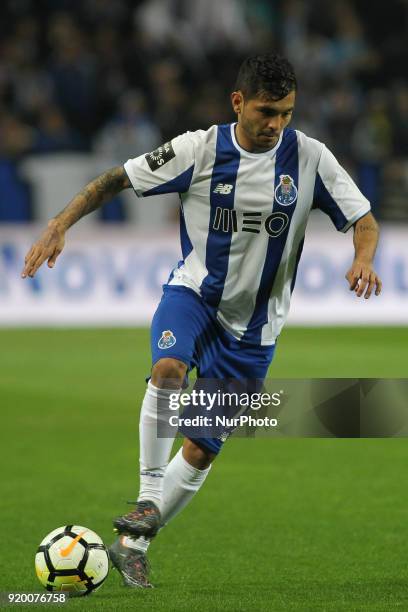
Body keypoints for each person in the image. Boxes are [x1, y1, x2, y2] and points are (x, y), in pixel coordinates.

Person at [22, 53, 382, 588]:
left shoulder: (310, 157)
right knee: (168, 367)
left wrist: (363, 257)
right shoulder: (198, 149)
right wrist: (58, 223)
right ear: (238, 103)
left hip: (256, 329)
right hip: (194, 295)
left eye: (286, 113)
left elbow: (365, 218)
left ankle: (131, 545)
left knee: (198, 448)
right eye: (266, 112)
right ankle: (147, 497)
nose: (276, 125)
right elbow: (115, 179)